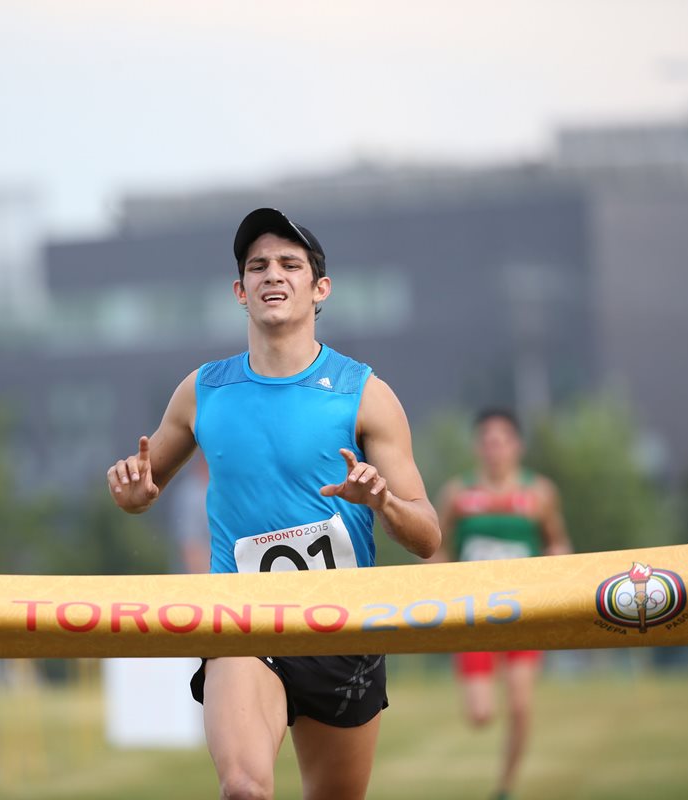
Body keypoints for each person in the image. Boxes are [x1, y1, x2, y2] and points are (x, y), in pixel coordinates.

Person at [106, 208, 441, 800]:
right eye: (257, 266)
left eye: (290, 263)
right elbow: (142, 484)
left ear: (320, 288)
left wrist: (383, 501)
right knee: (244, 788)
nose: (272, 275)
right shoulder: (202, 390)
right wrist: (133, 494)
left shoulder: (366, 394)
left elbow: (427, 536)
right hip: (243, 623)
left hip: (341, 628)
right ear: (240, 291)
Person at [432, 408, 572, 800]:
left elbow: (557, 542)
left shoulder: (538, 492)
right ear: (478, 447)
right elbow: (437, 549)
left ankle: (505, 788)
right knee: (480, 715)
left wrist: (559, 576)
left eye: (502, 441)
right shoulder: (458, 494)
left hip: (522, 613)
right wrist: (434, 584)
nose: (494, 449)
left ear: (517, 445)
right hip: (475, 616)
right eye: (487, 441)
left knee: (521, 704)